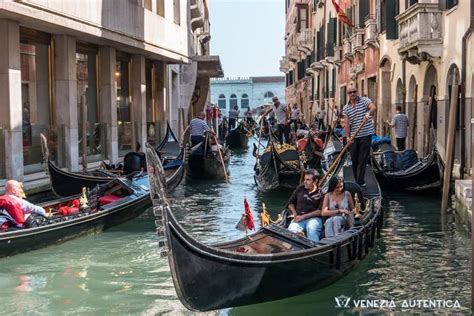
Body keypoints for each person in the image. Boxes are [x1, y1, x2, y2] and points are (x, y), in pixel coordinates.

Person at [343, 86, 376, 188]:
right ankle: (357, 179)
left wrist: (368, 114)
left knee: (362, 159)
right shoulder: (346, 108)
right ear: (348, 94)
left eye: (354, 91)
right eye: (350, 92)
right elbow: (347, 124)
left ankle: (360, 181)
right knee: (354, 159)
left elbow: (373, 107)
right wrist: (348, 137)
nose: (352, 94)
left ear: (357, 92)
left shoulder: (365, 100)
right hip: (354, 136)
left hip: (366, 134)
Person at [286, 169, 324, 242]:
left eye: (308, 180)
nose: (305, 182)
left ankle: (314, 248)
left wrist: (303, 216)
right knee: (291, 229)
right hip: (299, 217)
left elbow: (319, 211)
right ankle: (299, 243)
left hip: (314, 219)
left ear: (315, 181)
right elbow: (290, 203)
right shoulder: (300, 188)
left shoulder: (321, 193)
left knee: (311, 228)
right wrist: (295, 214)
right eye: (304, 179)